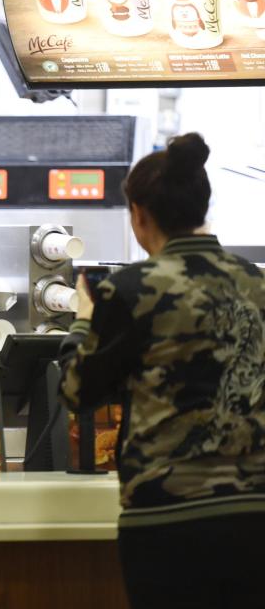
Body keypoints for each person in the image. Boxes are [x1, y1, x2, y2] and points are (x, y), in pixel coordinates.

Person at [58, 133, 265, 609]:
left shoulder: (134, 289)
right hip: (255, 512)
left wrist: (83, 321)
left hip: (168, 514)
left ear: (139, 214)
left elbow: (77, 392)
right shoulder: (256, 281)